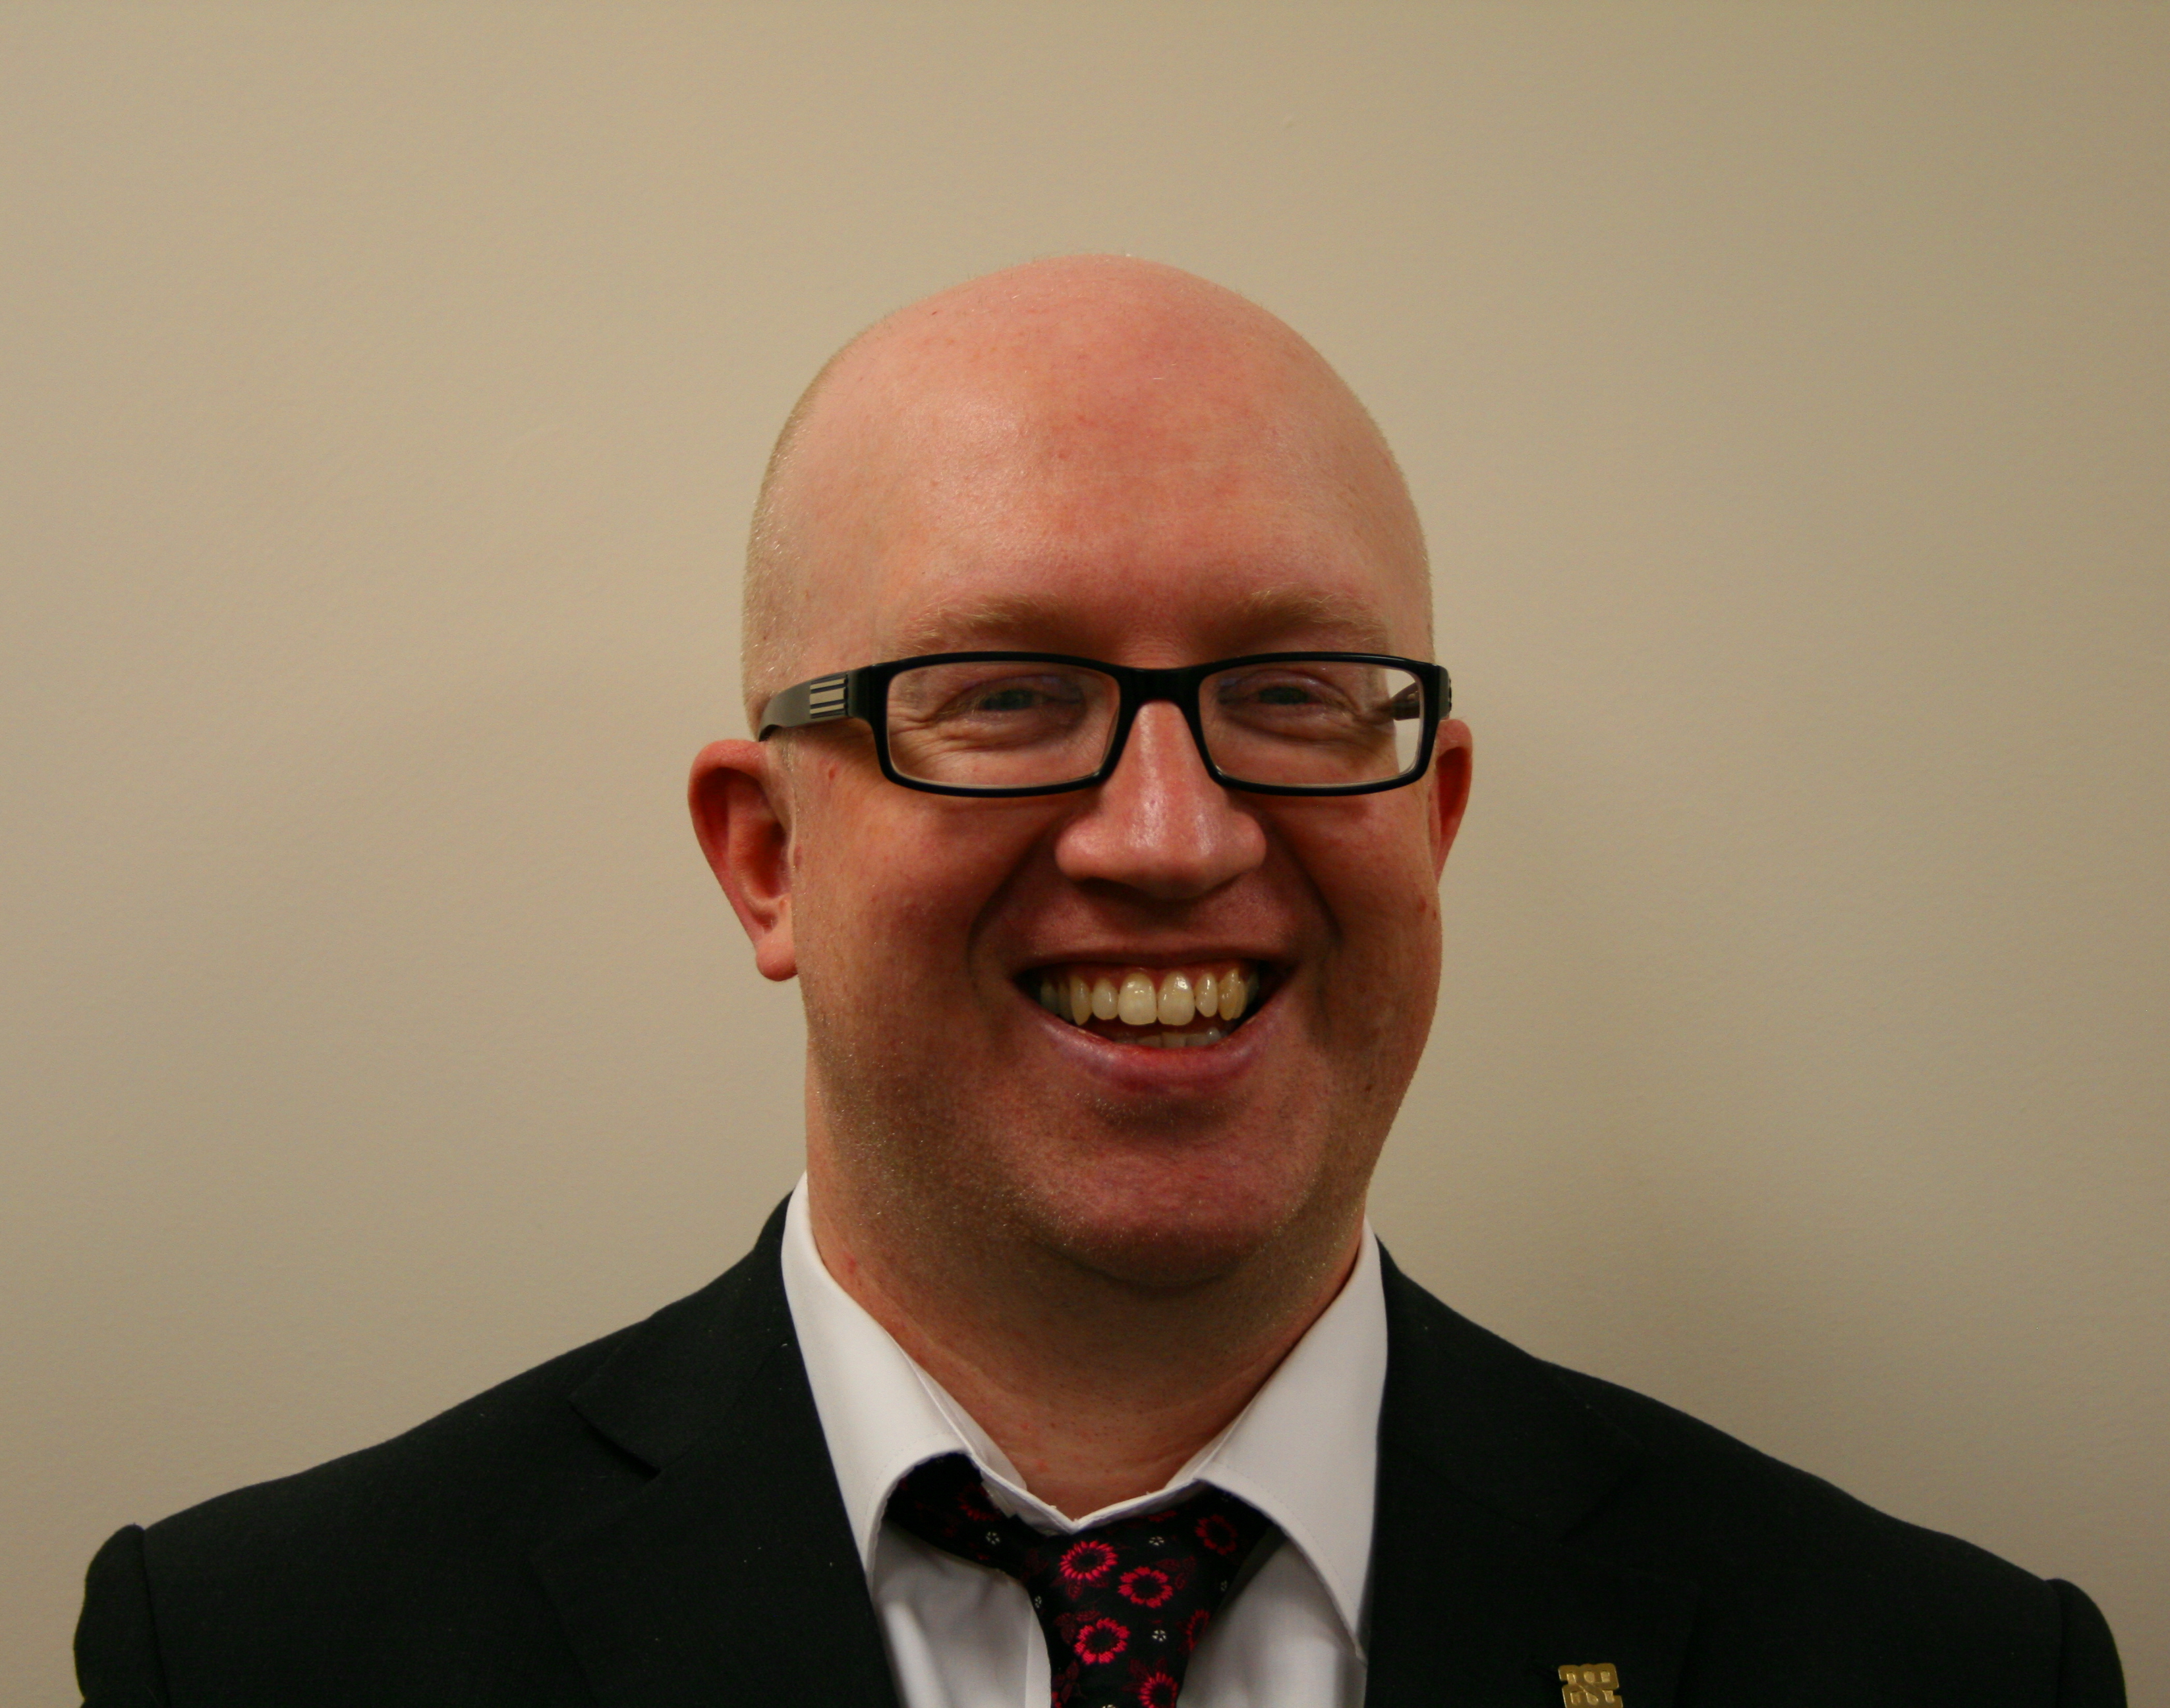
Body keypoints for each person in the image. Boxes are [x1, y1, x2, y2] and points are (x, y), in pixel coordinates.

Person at [75, 257, 2125, 1707]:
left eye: (1299, 697)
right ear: (767, 854)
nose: (1172, 836)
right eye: (1005, 696)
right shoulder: (263, 1653)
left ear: (1432, 822)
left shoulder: (1938, 1667)